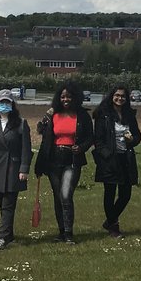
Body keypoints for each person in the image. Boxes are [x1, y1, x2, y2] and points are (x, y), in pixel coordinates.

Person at [34, 81, 94, 244]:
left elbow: (90, 137)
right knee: (57, 197)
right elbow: (40, 130)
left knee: (66, 195)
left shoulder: (82, 115)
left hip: (72, 160)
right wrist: (46, 115)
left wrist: (81, 147)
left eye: (68, 96)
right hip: (54, 160)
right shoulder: (54, 114)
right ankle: (61, 232)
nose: (65, 99)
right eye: (62, 96)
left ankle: (68, 233)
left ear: (75, 97)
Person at [0, 90, 33, 250]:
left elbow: (26, 148)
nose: (4, 105)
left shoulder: (21, 123)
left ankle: (2, 237)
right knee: (2, 203)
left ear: (12, 104)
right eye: (1, 102)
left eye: (7, 102)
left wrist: (24, 168)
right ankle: (9, 234)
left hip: (14, 168)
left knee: (8, 204)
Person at [92, 86, 141, 238]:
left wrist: (132, 140)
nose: (120, 98)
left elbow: (138, 136)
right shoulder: (103, 115)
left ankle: (109, 221)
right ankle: (114, 227)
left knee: (126, 194)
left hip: (126, 158)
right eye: (117, 95)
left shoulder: (129, 115)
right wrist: (106, 155)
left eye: (123, 96)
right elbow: (98, 140)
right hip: (109, 159)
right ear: (112, 96)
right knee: (110, 192)